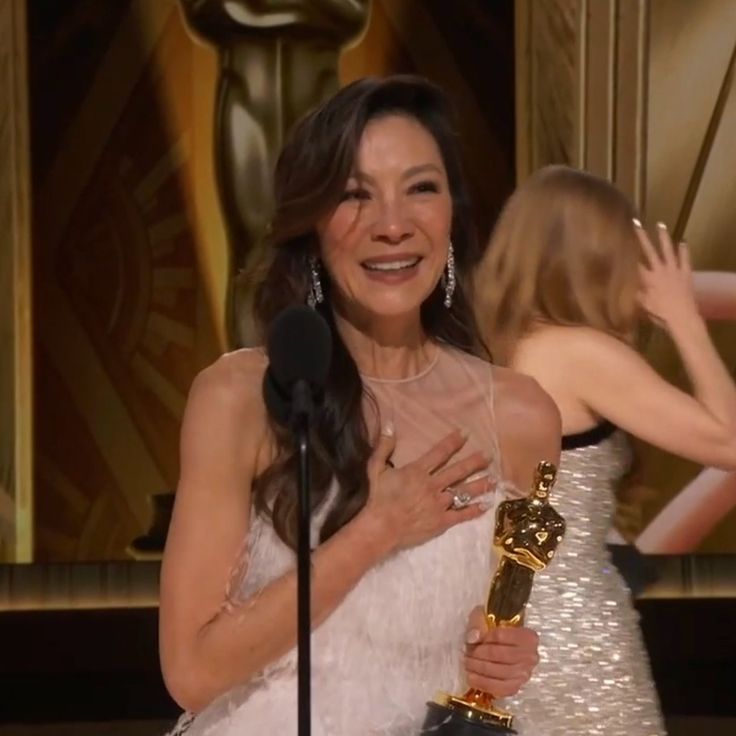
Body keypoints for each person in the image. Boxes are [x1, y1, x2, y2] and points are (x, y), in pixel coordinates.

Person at [159, 76, 561, 736]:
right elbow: (192, 670)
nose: (393, 225)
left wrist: (500, 658)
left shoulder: (520, 416)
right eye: (354, 196)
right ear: (312, 226)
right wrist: (374, 533)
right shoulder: (241, 398)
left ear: (452, 214)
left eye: (420, 188)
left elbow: (477, 629)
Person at [474, 164, 736, 735]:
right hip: (574, 640)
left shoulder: (497, 347)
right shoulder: (577, 353)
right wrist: (685, 320)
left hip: (510, 634)